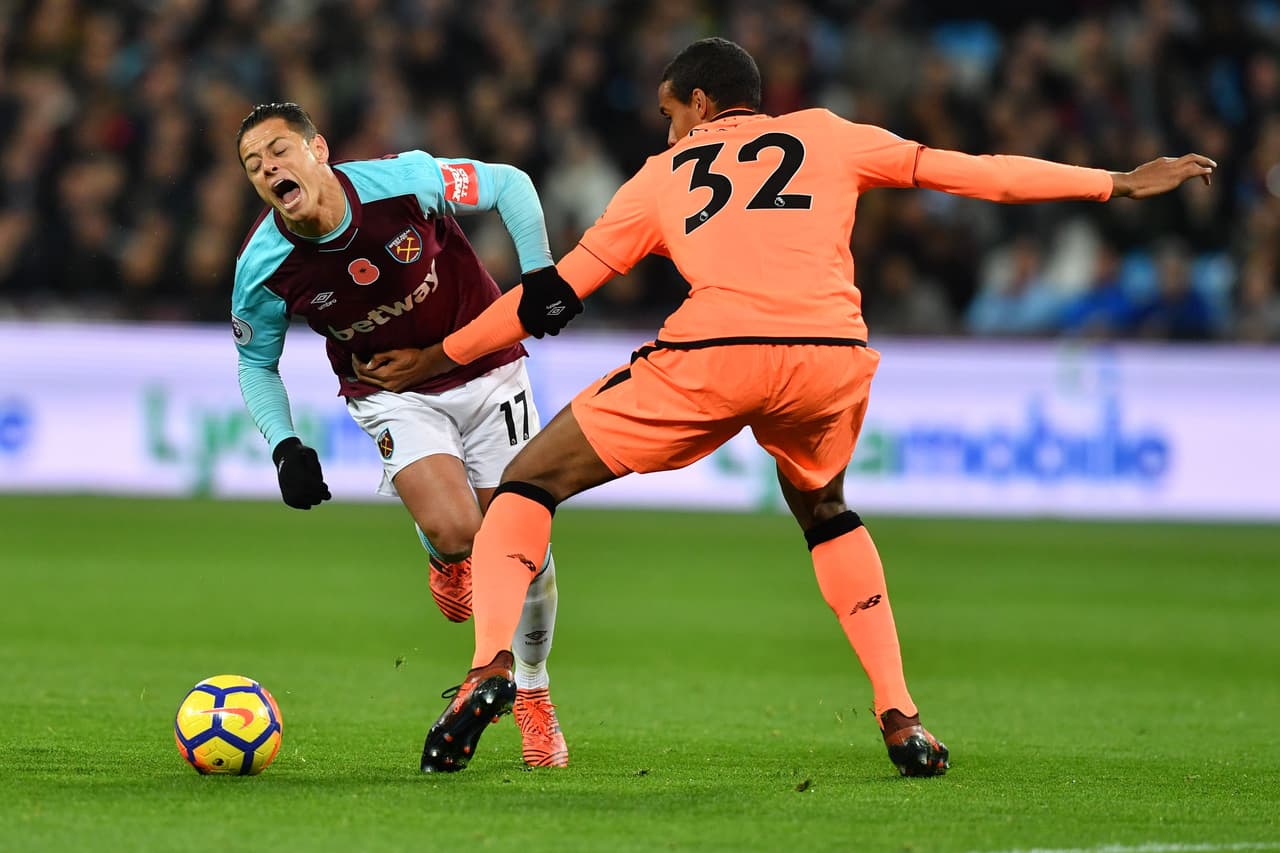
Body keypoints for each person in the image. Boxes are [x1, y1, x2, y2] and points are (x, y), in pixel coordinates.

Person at [354, 38, 1215, 776]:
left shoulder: (662, 176)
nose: (667, 129)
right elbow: (972, 174)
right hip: (831, 360)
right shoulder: (830, 136)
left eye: (669, 111)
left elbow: (549, 297)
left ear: (698, 102)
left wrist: (435, 356)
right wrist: (1116, 182)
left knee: (525, 485)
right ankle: (901, 715)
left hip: (711, 356)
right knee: (826, 508)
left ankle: (490, 666)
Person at [231, 102, 572, 769]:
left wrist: (539, 274)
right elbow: (254, 360)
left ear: (318, 149)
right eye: (252, 165)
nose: (268, 168)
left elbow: (510, 185)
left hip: (490, 368)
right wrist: (285, 444)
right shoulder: (264, 267)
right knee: (459, 530)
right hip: (392, 392)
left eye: (277, 150)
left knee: (524, 544)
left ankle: (533, 693)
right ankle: (446, 557)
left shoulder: (404, 181)